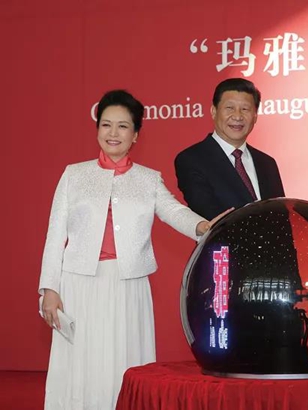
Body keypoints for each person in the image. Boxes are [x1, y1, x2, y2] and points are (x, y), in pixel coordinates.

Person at [38, 89, 229, 410]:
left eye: (123, 126)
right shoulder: (74, 175)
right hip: (79, 284)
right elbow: (55, 234)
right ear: (97, 129)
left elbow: (174, 211)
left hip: (129, 286)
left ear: (136, 134)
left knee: (124, 358)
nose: (113, 133)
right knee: (80, 362)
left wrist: (203, 226)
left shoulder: (148, 179)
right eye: (106, 125)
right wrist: (49, 289)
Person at [175, 78, 285, 219]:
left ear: (255, 116)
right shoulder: (192, 159)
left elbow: (281, 216)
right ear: (214, 111)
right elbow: (209, 215)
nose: (238, 116)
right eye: (229, 108)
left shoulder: (267, 163)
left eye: (245, 109)